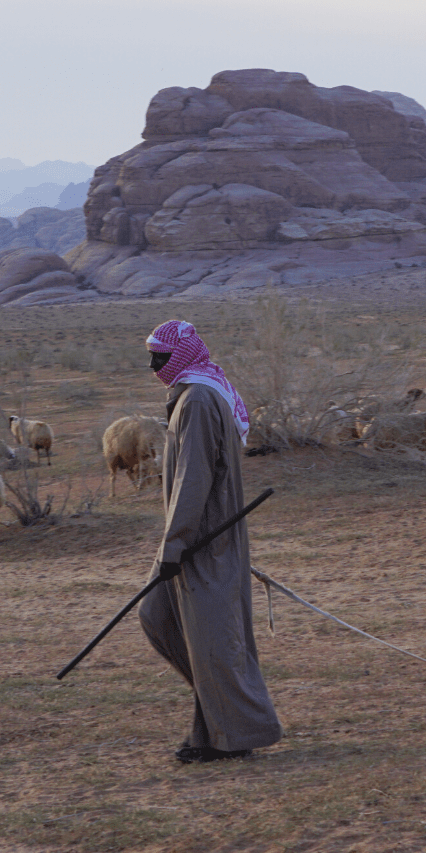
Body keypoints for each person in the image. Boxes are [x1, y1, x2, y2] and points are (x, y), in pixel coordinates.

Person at [139, 320, 282, 764]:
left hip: (205, 540)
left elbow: (193, 480)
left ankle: (236, 733)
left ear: (179, 356)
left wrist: (175, 545)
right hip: (196, 538)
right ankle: (220, 725)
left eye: (159, 357)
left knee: (214, 642)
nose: (152, 365)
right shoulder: (195, 393)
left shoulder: (198, 399)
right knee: (159, 616)